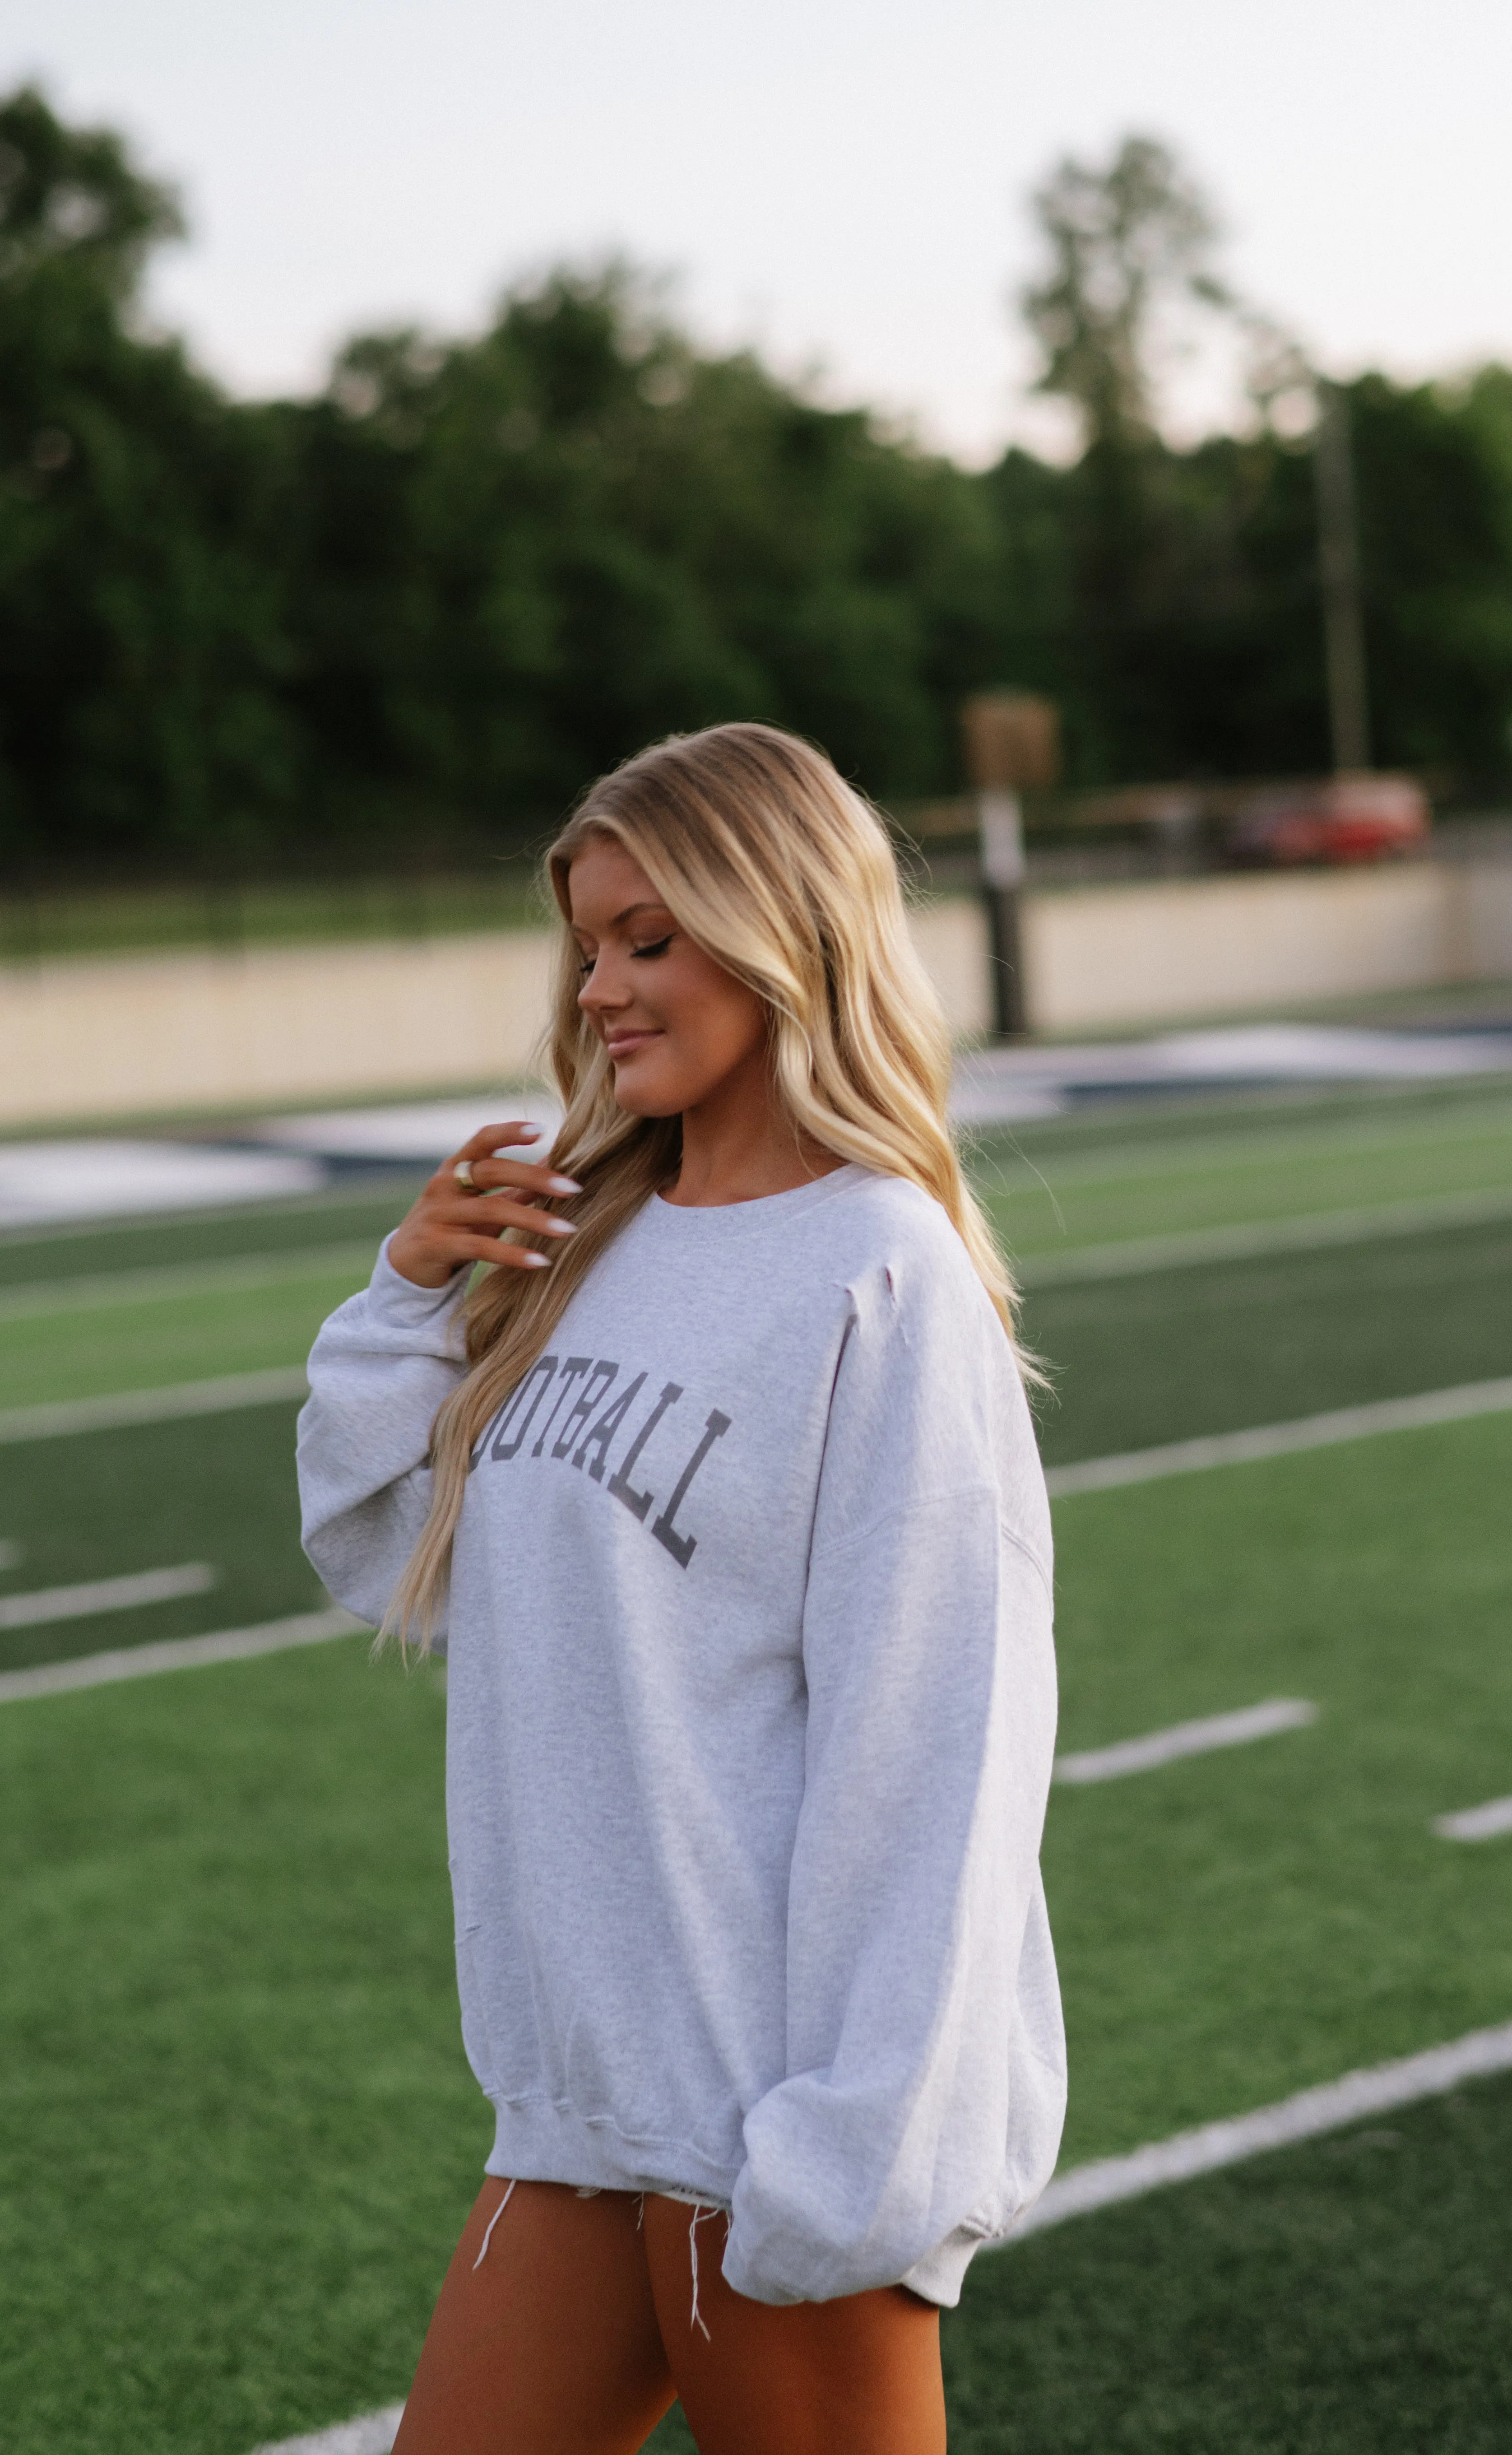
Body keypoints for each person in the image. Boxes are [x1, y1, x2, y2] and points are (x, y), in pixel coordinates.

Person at [297, 723, 1066, 2454]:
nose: (601, 990)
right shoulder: (585, 1238)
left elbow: (942, 1744)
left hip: (770, 2124)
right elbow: (386, 1560)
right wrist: (411, 1295)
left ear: (784, 928)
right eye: (587, 945)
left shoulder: (887, 1273)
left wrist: (855, 2146)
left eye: (651, 938)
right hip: (581, 2106)